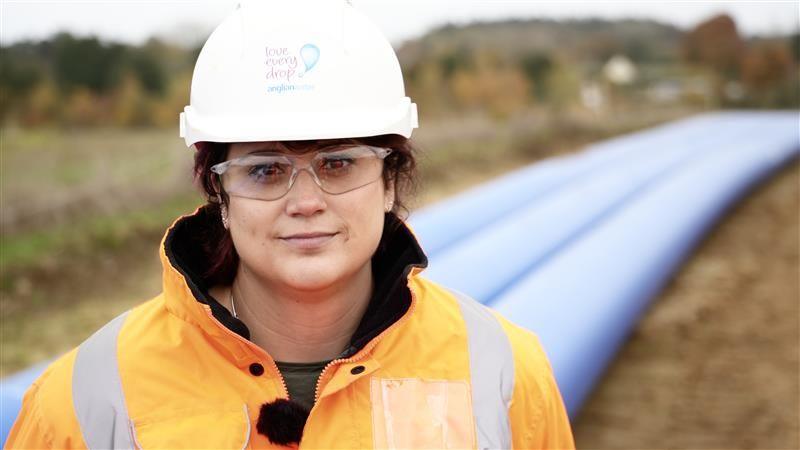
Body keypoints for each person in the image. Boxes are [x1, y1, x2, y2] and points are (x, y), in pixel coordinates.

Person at [6, 1, 575, 448]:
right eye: (265, 171)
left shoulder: (504, 376)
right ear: (220, 195)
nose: (306, 202)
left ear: (391, 183)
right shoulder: (87, 400)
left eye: (338, 163)